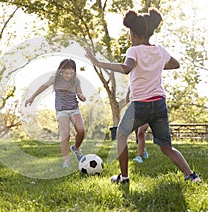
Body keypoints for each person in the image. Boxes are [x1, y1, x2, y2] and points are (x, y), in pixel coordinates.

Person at [85, 8, 201, 183]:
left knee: (122, 136)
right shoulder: (160, 51)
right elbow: (175, 64)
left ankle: (123, 178)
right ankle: (191, 176)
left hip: (140, 105)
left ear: (133, 34)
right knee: (167, 147)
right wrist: (156, 65)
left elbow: (126, 68)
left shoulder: (134, 50)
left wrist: (98, 62)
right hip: (159, 104)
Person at [25, 59, 86, 168]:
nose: (69, 75)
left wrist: (82, 97)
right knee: (65, 133)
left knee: (81, 131)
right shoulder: (55, 79)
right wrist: (32, 97)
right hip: (61, 110)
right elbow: (42, 87)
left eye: (71, 73)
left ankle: (76, 148)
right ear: (61, 71)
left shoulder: (76, 80)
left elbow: (79, 93)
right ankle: (66, 161)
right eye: (67, 73)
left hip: (74, 108)